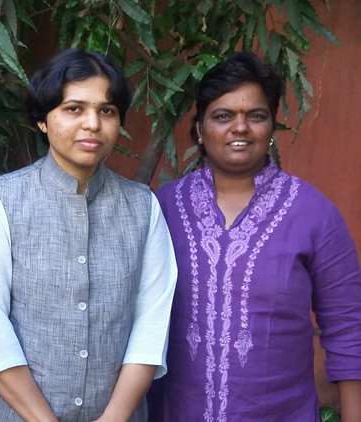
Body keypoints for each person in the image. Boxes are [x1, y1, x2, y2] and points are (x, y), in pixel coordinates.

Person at [0, 48, 178, 421]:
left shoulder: (143, 208)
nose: (92, 124)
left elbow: (151, 325)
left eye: (106, 111)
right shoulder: (2, 201)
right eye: (74, 109)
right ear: (44, 120)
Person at [146, 52, 361, 421]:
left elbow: (348, 325)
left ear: (272, 128)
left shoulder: (314, 213)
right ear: (199, 129)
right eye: (223, 116)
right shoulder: (162, 209)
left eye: (256, 116)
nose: (240, 128)